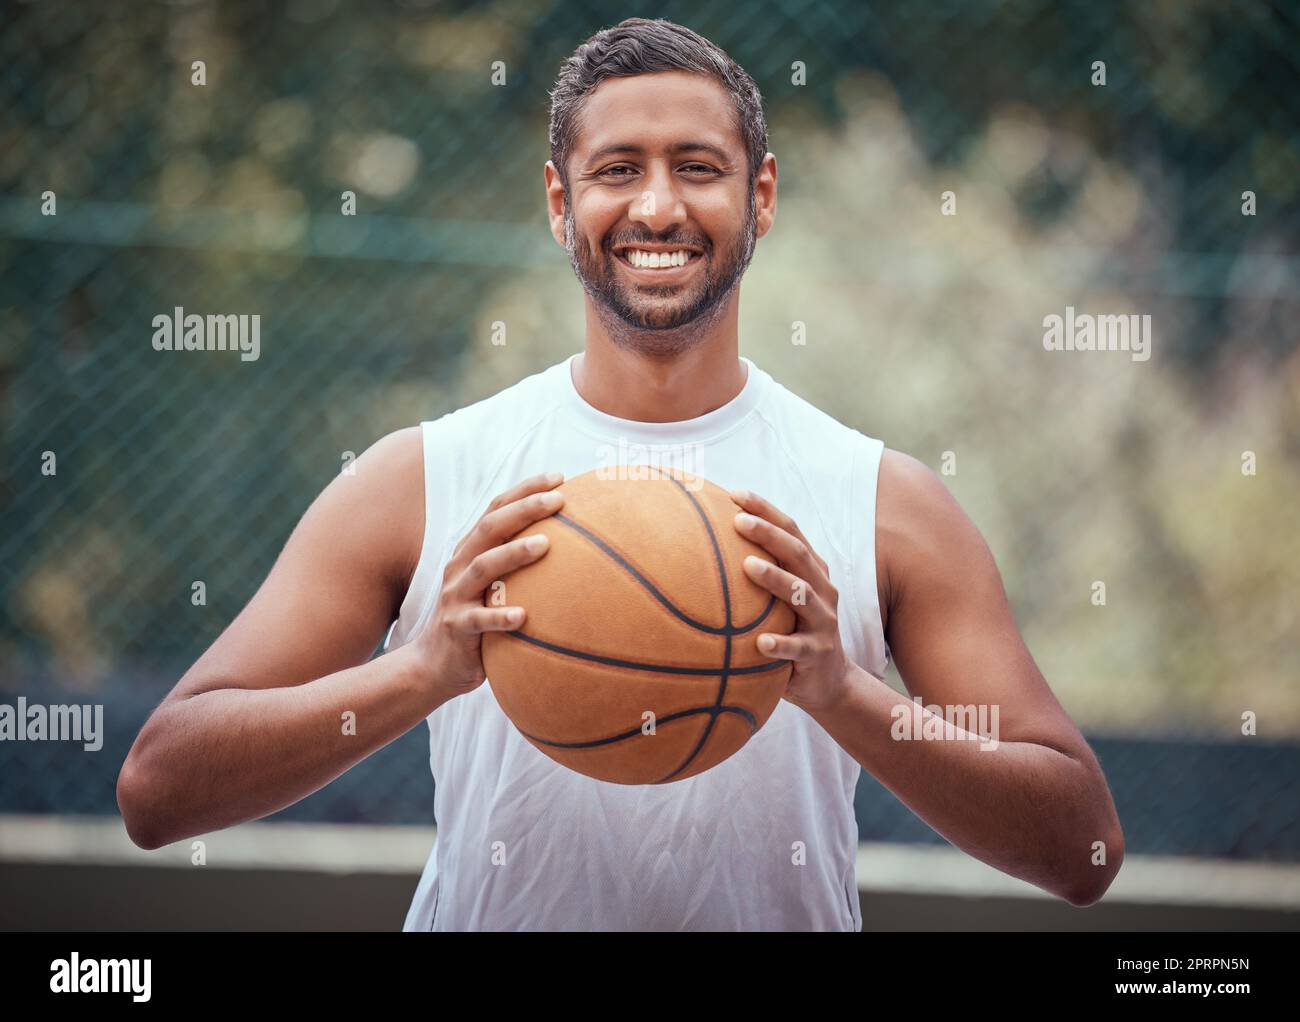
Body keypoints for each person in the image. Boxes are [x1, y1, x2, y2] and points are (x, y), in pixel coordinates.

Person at [118, 17, 1123, 931]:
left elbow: (1082, 849)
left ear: (758, 195)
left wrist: (843, 692)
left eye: (697, 167)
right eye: (616, 170)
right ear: (561, 202)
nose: (656, 205)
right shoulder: (424, 478)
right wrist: (419, 671)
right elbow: (160, 789)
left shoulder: (882, 500)